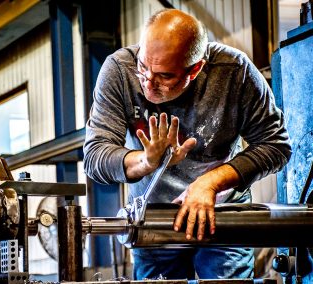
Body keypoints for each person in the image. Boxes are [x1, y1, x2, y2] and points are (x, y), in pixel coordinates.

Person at [83, 8, 291, 280]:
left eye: (165, 76)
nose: (148, 84)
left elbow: (276, 144)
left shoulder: (234, 72)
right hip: (154, 220)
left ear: (196, 69)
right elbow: (95, 156)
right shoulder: (119, 70)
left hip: (223, 215)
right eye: (143, 67)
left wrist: (211, 182)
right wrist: (146, 161)